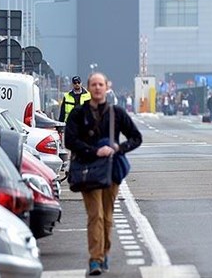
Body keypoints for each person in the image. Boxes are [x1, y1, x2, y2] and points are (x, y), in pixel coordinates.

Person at [64, 73, 142, 275]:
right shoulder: (78, 114)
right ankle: (95, 260)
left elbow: (136, 137)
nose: (97, 87)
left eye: (101, 84)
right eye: (93, 84)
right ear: (88, 88)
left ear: (107, 87)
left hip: (110, 170)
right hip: (88, 170)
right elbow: (70, 141)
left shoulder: (116, 113)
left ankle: (104, 252)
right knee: (95, 215)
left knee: (107, 217)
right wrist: (93, 151)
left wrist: (118, 149)